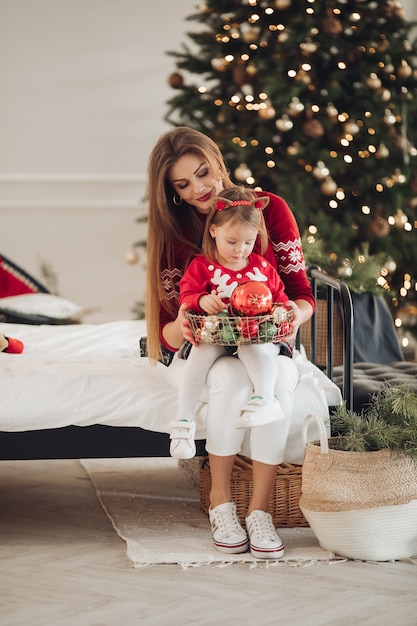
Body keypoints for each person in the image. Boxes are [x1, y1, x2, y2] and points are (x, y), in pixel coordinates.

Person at [146, 126, 315, 560]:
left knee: (273, 381)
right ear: (173, 194)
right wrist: (187, 319)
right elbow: (166, 330)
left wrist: (291, 314)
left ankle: (260, 513)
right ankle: (221, 504)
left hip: (266, 339)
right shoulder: (174, 228)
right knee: (227, 380)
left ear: (218, 164)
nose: (199, 189)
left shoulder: (267, 209)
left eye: (204, 173)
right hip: (204, 346)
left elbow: (301, 291)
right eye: (182, 185)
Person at [170, 186, 292, 460]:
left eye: (248, 242)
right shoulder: (202, 266)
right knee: (199, 354)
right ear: (213, 230)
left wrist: (284, 308)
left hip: (253, 335)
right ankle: (183, 422)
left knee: (253, 348)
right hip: (216, 335)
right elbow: (186, 294)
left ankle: (264, 399)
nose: (240, 250)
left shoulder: (261, 268)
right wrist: (201, 301)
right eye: (232, 241)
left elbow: (280, 298)